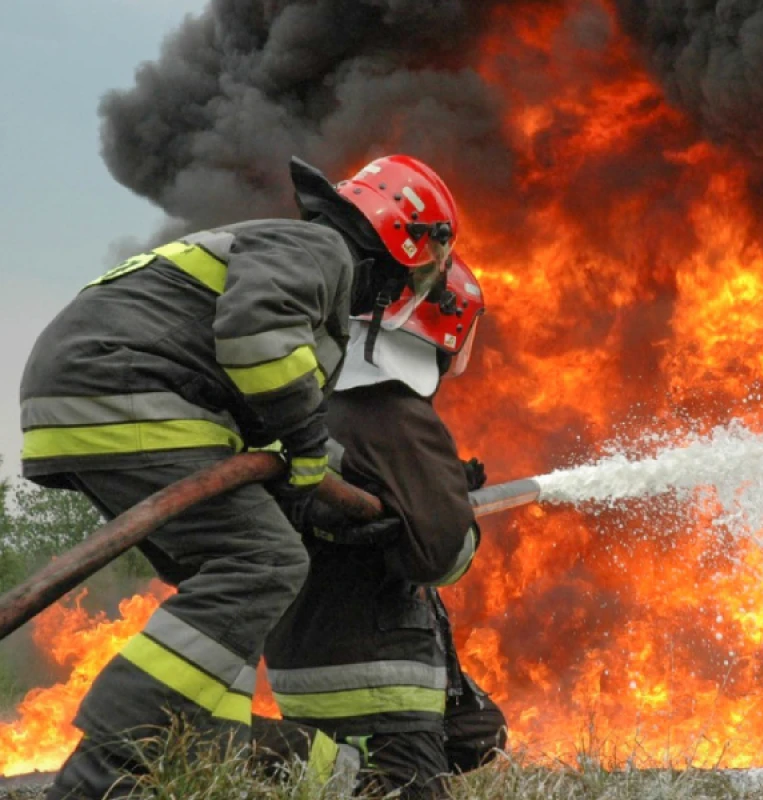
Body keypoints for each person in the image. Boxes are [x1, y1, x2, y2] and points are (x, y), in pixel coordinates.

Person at [20, 153, 461, 799]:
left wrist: (345, 495)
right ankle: (102, 772)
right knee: (264, 563)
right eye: (423, 265)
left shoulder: (297, 259)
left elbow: (264, 417)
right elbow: (258, 342)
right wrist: (312, 452)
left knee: (223, 581)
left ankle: (193, 753)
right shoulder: (318, 248)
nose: (410, 285)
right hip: (131, 390)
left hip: (99, 399)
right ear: (402, 237)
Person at [262, 253, 506, 799]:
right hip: (377, 678)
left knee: (479, 734)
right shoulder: (394, 409)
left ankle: (333, 770)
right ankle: (331, 770)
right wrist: (452, 511)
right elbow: (443, 555)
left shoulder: (313, 400)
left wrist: (434, 490)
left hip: (302, 663)